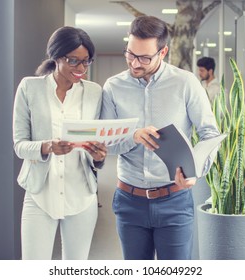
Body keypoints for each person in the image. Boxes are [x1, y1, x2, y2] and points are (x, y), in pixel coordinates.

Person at [100, 16, 221, 260]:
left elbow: (210, 133)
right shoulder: (113, 87)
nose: (134, 63)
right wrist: (133, 136)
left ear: (163, 52)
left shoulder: (185, 83)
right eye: (130, 54)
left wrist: (196, 170)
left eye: (144, 57)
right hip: (129, 201)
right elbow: (106, 143)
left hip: (174, 200)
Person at [13, 26, 107, 260]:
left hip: (81, 195)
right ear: (56, 57)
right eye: (74, 61)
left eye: (86, 62)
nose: (81, 69)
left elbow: (97, 141)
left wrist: (99, 155)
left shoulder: (95, 92)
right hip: (40, 194)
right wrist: (47, 146)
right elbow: (19, 145)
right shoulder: (29, 88)